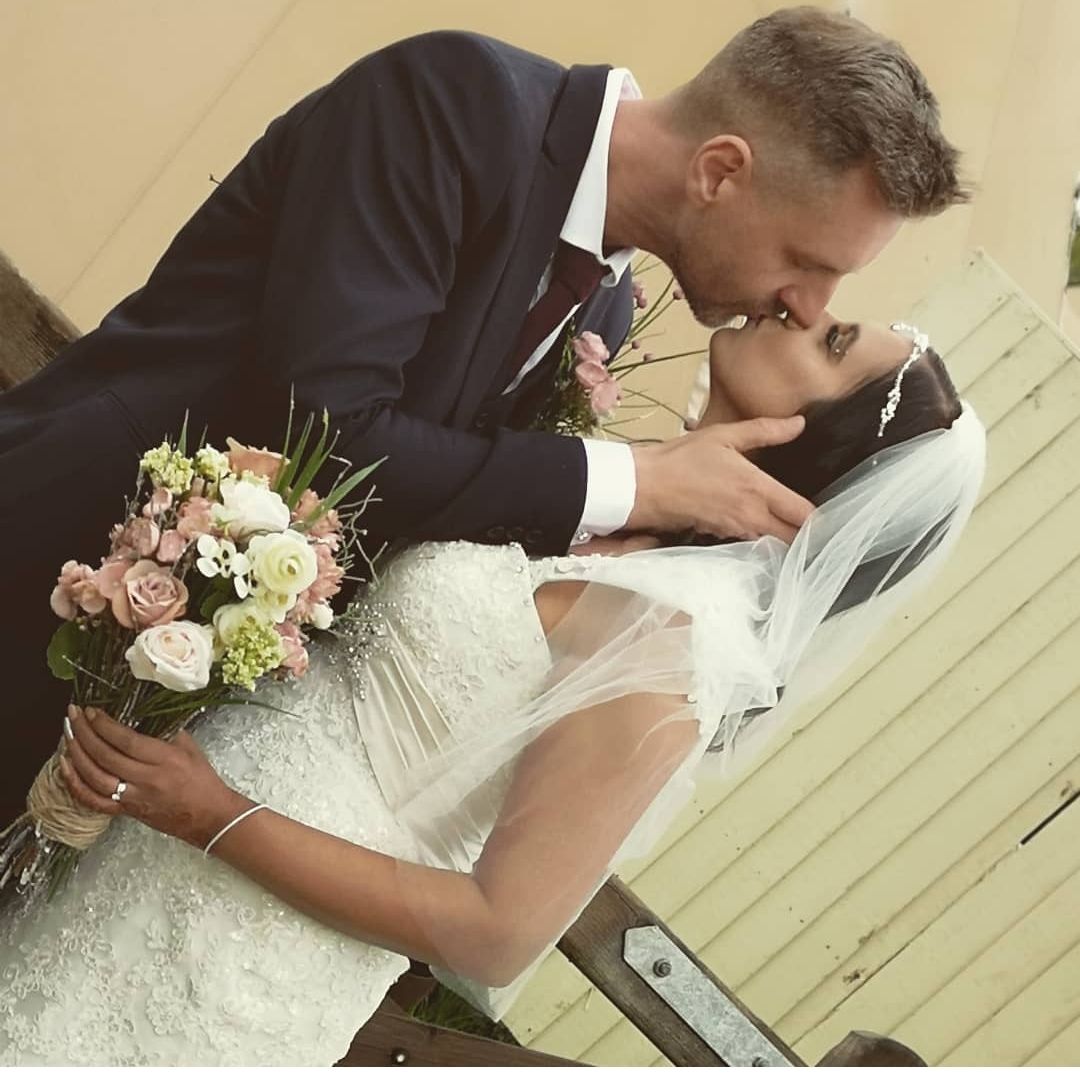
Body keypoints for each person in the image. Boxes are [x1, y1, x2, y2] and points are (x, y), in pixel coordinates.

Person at [0, 7, 967, 828]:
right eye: (809, 261)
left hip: (152, 721)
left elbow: (404, 524)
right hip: (39, 555)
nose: (807, 303)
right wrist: (634, 479)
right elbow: (322, 423)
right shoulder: (454, 104)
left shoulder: (604, 310)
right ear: (719, 171)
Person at [0, 314, 987, 1065]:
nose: (801, 309)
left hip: (235, 951)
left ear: (821, 446)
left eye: (834, 341)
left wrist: (214, 814)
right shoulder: (622, 510)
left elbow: (498, 929)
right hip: (150, 852)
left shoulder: (673, 637)